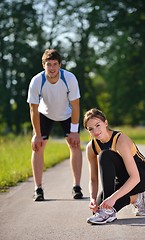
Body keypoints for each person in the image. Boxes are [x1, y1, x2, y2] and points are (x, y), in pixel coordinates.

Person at [27, 49, 83, 201]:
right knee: (38, 146)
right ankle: (38, 189)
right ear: (43, 65)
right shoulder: (37, 81)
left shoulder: (69, 78)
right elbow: (33, 109)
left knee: (75, 145)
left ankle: (76, 186)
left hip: (67, 114)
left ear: (60, 65)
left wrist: (74, 131)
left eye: (55, 64)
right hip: (45, 114)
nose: (52, 68)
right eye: (48, 64)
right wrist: (37, 135)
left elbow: (76, 105)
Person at [83, 108, 145, 225]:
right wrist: (92, 199)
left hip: (142, 177)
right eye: (90, 129)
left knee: (105, 155)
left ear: (106, 123)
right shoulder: (91, 147)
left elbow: (135, 178)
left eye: (98, 125)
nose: (95, 131)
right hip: (123, 179)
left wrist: (113, 198)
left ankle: (108, 211)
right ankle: (136, 198)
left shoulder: (120, 139)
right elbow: (93, 179)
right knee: (98, 209)